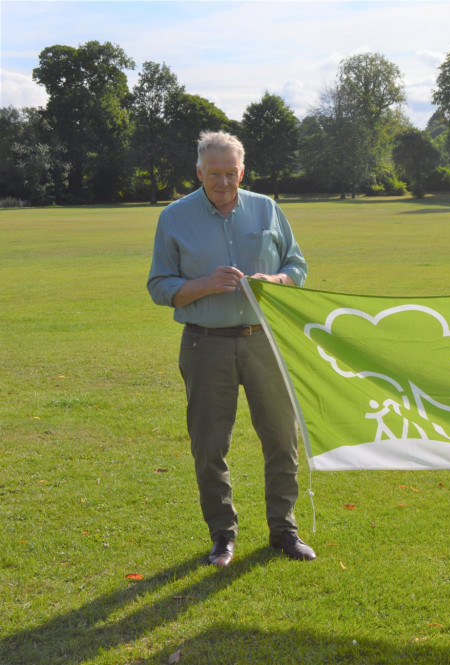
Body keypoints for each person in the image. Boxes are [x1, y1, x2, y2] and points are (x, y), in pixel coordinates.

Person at [147, 131, 315, 566]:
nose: (223, 182)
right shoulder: (174, 217)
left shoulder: (267, 208)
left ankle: (284, 531)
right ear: (199, 173)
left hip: (265, 344)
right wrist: (203, 285)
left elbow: (297, 266)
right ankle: (223, 535)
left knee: (282, 440)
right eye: (214, 174)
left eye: (230, 173)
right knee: (209, 446)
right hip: (206, 344)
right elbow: (159, 285)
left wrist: (275, 282)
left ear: (242, 171)